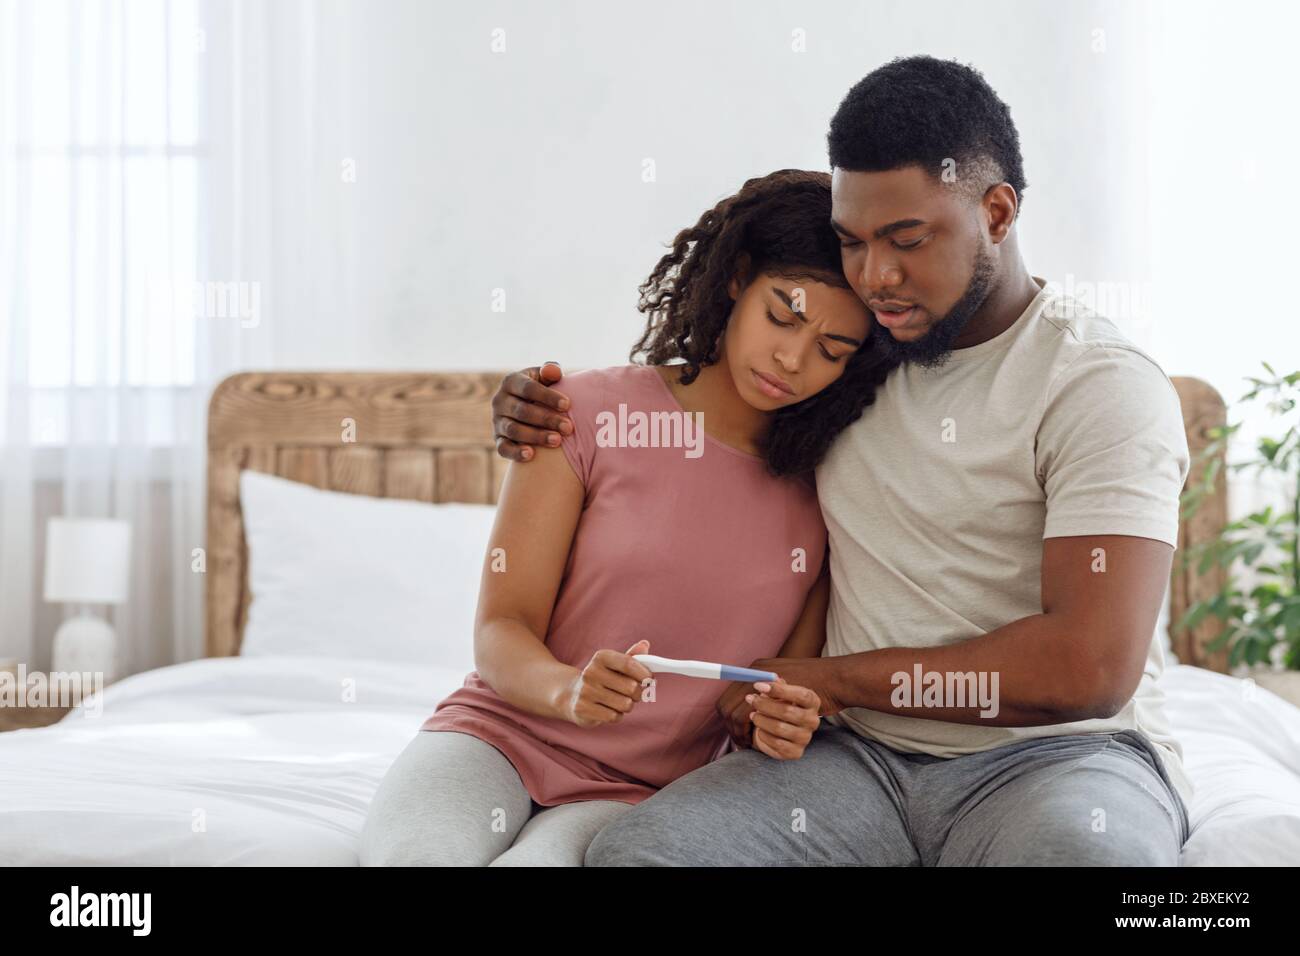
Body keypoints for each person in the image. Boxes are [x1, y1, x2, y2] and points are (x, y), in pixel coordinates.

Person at [492, 56, 1194, 866]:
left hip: (1059, 759)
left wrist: (831, 680)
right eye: (853, 243)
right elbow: (687, 418)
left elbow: (1089, 666)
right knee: (644, 853)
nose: (875, 277)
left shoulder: (1098, 383)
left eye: (906, 241)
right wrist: (539, 405)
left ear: (997, 213)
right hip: (852, 763)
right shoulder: (847, 357)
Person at [360, 169, 893, 866]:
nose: (792, 359)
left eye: (830, 350)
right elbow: (501, 627)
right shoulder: (581, 414)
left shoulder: (828, 494)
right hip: (498, 737)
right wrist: (570, 689)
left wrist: (780, 718)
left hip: (639, 791)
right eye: (781, 316)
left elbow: (761, 687)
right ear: (737, 279)